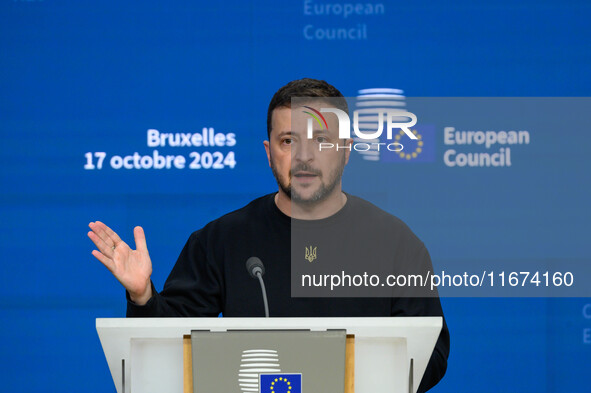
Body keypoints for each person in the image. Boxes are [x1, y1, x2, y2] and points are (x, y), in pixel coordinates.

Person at [88, 78, 449, 392]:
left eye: (320, 140)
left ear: (346, 149)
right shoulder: (221, 240)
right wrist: (142, 295)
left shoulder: (395, 242)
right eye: (289, 141)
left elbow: (431, 356)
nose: (304, 157)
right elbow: (167, 349)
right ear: (269, 152)